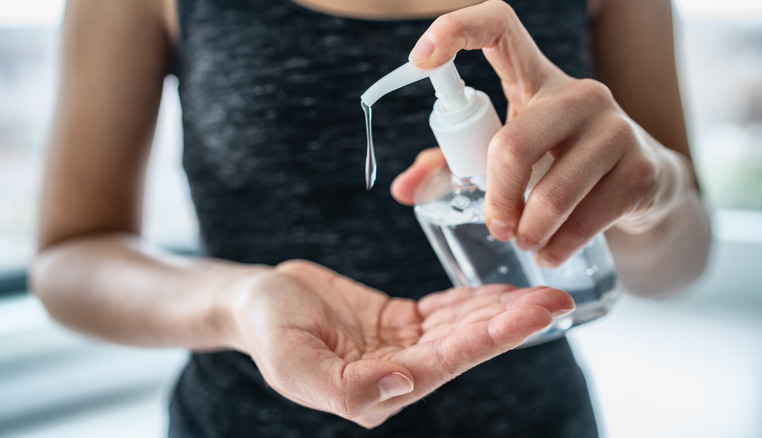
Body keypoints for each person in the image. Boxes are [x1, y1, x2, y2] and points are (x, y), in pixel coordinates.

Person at [32, 0, 711, 436]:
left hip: (534, 420)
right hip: (239, 421)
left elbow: (677, 266)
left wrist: (660, 189)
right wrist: (237, 302)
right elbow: (71, 259)